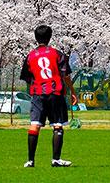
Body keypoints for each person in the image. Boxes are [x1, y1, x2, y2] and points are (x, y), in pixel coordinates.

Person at [19, 25, 77, 167]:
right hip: (55, 93)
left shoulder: (30, 56)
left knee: (34, 125)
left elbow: (27, 76)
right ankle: (56, 159)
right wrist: (72, 91)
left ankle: (30, 161)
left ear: (36, 37)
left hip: (38, 94)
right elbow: (66, 75)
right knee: (57, 125)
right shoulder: (57, 54)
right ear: (50, 37)